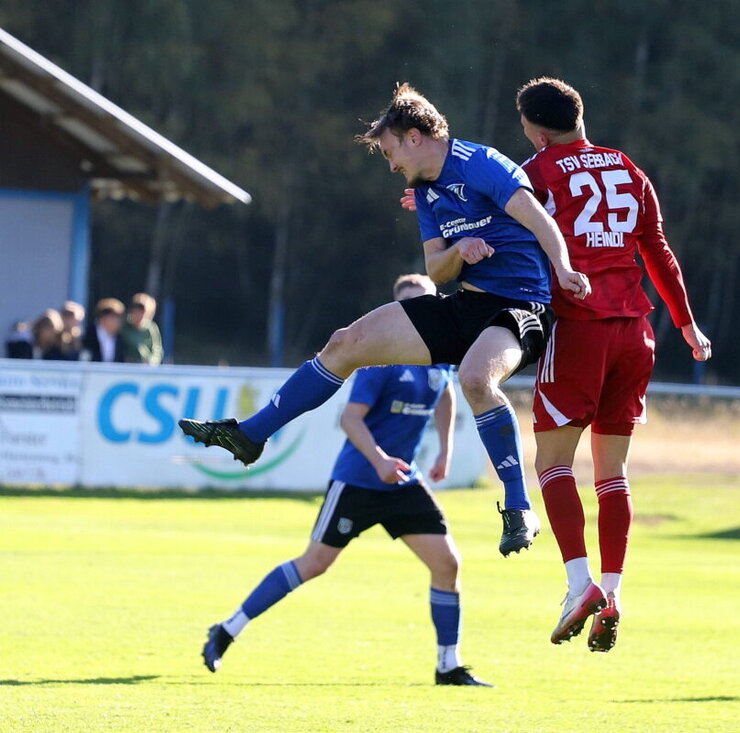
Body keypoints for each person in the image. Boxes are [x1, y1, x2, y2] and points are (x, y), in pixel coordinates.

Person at [179, 83, 591, 557]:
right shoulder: (426, 193)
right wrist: (459, 250)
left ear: (415, 136)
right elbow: (436, 270)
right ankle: (250, 434)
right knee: (344, 343)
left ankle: (519, 506)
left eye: (391, 150)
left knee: (476, 378)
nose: (390, 164)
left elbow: (538, 216)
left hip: (522, 306)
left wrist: (562, 266)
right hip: (464, 305)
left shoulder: (480, 163)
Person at [402, 78, 711, 651]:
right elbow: (657, 248)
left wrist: (435, 200)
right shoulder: (626, 167)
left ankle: (578, 585)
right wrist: (687, 322)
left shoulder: (538, 172)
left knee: (553, 465)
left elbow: (494, 221)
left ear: (534, 129)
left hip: (579, 328)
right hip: (637, 332)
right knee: (613, 473)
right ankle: (613, 591)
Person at [202, 273, 492, 686]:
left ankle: (449, 666)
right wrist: (378, 462)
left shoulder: (440, 357)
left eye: (425, 303)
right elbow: (349, 418)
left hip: (401, 483)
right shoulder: (383, 360)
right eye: (410, 305)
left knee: (447, 564)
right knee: (314, 564)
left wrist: (444, 449)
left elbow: (445, 393)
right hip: (358, 480)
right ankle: (228, 629)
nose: (419, 313)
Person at [120, 292, 164, 365]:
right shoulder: (124, 327)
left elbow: (157, 351)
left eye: (143, 311)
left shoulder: (152, 328)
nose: (140, 314)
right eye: (137, 309)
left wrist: (150, 362)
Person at [81, 298, 126, 363]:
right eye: (113, 318)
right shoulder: (88, 335)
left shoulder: (120, 339)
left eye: (119, 318)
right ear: (102, 318)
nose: (117, 322)